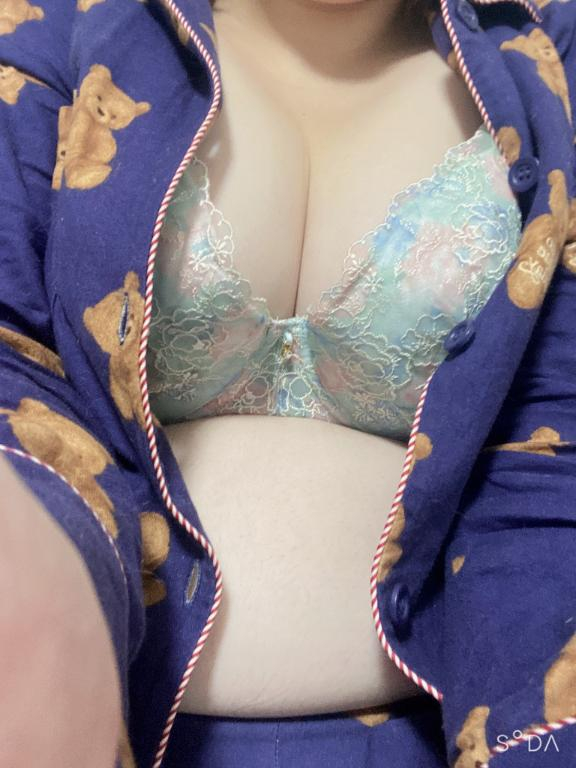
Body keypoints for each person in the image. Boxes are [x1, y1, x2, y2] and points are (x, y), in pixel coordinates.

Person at [0, 0, 575, 767]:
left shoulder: (547, 53)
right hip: (93, 724)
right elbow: (11, 362)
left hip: (444, 732)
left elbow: (552, 456)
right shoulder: (55, 27)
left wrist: (535, 746)